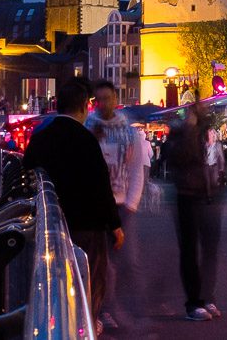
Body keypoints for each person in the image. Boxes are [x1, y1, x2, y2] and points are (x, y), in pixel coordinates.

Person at [22, 78, 123, 333]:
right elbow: (101, 184)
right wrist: (115, 224)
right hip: (88, 223)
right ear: (83, 107)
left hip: (51, 224)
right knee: (89, 279)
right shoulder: (86, 140)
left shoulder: (41, 138)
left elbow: (27, 175)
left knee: (55, 278)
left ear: (57, 105)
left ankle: (57, 324)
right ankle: (85, 326)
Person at [85, 81, 146, 329]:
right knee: (101, 262)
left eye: (107, 98)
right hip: (97, 204)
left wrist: (131, 203)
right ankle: (103, 310)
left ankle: (125, 306)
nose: (103, 104)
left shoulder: (127, 131)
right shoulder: (88, 127)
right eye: (98, 99)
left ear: (115, 98)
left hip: (121, 203)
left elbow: (136, 169)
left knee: (127, 260)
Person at [165, 102, 225, 321]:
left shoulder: (209, 131)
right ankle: (194, 302)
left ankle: (207, 296)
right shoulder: (180, 132)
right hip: (188, 195)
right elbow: (177, 158)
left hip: (210, 194)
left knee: (210, 249)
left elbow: (216, 160)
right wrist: (189, 129)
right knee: (190, 249)